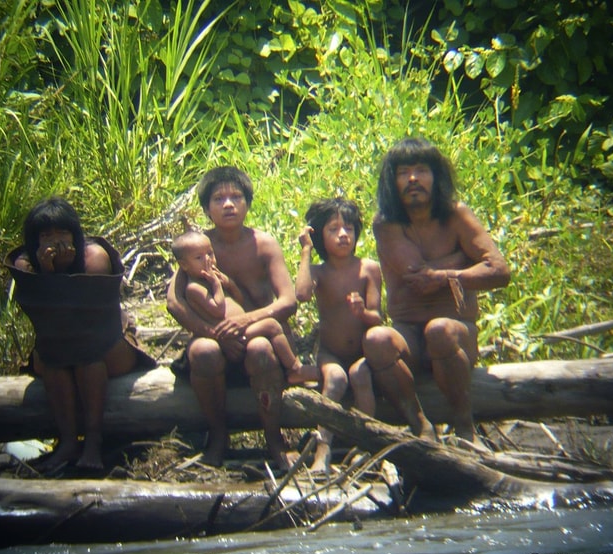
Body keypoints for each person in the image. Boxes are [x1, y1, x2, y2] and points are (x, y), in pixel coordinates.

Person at [364, 137, 511, 448]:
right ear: (392, 182)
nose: (412, 179)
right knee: (376, 339)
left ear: (436, 176)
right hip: (409, 337)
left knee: (439, 329)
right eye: (403, 172)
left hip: (455, 333)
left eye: (421, 170)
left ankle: (464, 427)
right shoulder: (386, 224)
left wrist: (447, 274)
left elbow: (500, 271)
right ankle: (420, 426)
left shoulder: (457, 215)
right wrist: (461, 259)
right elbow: (417, 276)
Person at [166, 166, 300, 469]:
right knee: (203, 351)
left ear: (248, 203)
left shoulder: (264, 244)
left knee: (260, 348)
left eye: (236, 197)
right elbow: (174, 302)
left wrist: (245, 321)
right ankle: (217, 436)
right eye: (218, 199)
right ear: (206, 209)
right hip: (217, 340)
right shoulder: (197, 247)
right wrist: (215, 334)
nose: (228, 204)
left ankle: (274, 439)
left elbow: (288, 301)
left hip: (259, 338)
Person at [8, 197, 154, 472]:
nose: (56, 241)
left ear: (74, 233)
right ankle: (67, 442)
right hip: (54, 348)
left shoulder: (94, 257)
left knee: (87, 355)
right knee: (54, 357)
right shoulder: (26, 264)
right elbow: (42, 317)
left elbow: (92, 317)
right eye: (46, 235)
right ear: (34, 240)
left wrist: (65, 274)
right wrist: (49, 273)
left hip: (106, 344)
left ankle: (93, 442)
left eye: (62, 232)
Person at [296, 198, 384, 472]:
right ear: (320, 236)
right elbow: (302, 294)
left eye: (348, 228)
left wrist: (361, 312)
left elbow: (377, 317)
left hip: (363, 353)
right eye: (333, 229)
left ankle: (365, 446)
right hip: (330, 353)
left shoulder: (368, 268)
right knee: (335, 379)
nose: (343, 234)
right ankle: (322, 451)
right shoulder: (319, 272)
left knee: (360, 375)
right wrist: (306, 251)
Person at [171, 230, 319, 385]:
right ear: (184, 265)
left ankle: (292, 368)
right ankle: (294, 368)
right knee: (271, 326)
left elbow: (239, 300)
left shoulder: (214, 277)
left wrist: (229, 284)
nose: (208, 260)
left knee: (265, 341)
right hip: (229, 335)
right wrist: (216, 285)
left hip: (241, 329)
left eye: (210, 254)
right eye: (199, 258)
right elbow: (218, 309)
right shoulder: (194, 288)